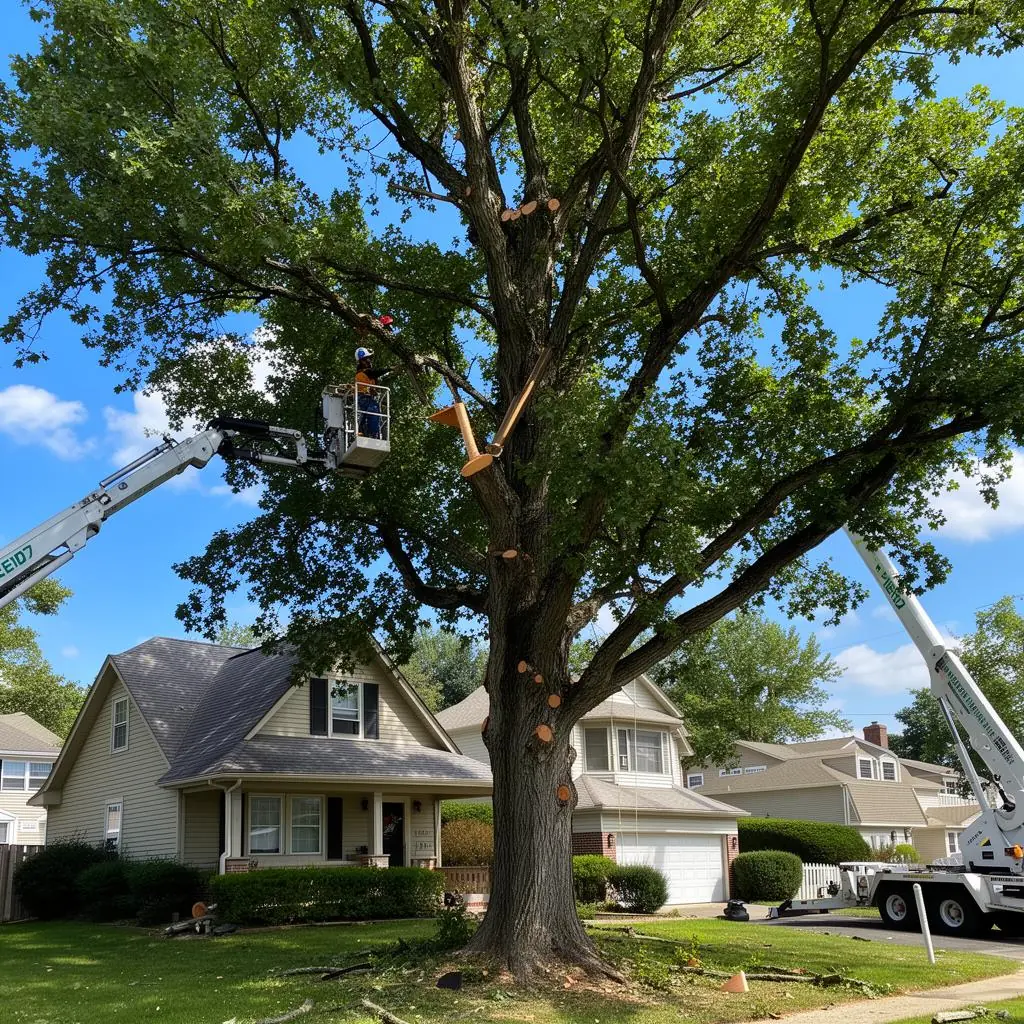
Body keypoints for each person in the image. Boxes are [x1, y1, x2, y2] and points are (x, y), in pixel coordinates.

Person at [354, 347, 391, 439]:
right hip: (363, 397)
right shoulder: (364, 372)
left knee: (365, 415)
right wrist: (390, 369)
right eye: (367, 359)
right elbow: (375, 373)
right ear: (362, 361)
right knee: (373, 410)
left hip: (365, 398)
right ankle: (373, 435)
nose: (369, 361)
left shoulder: (366, 373)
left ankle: (363, 432)